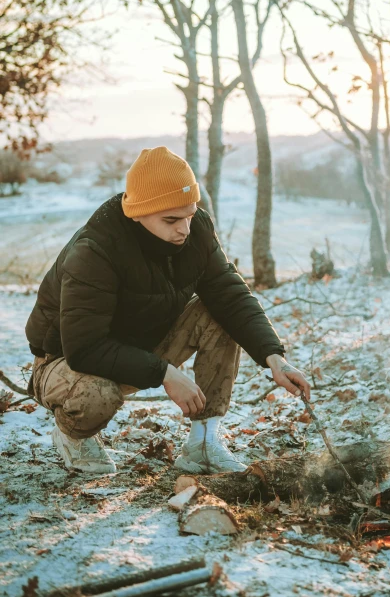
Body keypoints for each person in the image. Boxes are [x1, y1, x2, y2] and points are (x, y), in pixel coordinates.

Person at [25, 146, 310, 475]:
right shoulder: (95, 250)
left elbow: (230, 294)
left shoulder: (196, 231)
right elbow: (84, 348)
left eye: (189, 215)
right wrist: (164, 372)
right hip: (64, 362)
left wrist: (274, 356)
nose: (185, 229)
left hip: (139, 344)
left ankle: (203, 443)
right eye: (171, 219)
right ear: (138, 212)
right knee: (96, 395)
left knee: (218, 314)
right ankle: (71, 436)